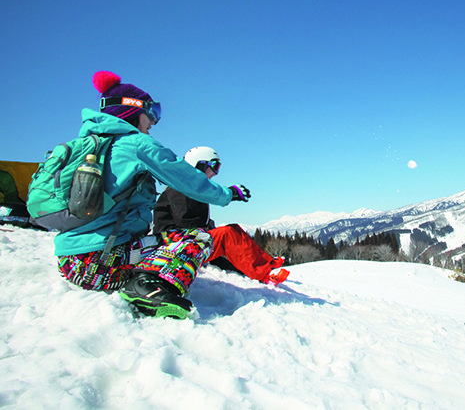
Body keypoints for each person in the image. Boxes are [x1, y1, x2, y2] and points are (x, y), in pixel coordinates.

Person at [54, 70, 237, 319]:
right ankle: (147, 287)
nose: (153, 121)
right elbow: (187, 178)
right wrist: (228, 194)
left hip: (71, 263)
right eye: (151, 113)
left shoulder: (85, 146)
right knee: (200, 238)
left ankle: (139, 275)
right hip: (102, 264)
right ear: (130, 111)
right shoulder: (136, 144)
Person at [153, 146, 289, 285]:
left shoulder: (191, 189)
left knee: (232, 230)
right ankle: (265, 274)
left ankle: (266, 263)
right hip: (173, 245)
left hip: (188, 241)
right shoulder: (179, 189)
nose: (215, 173)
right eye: (214, 166)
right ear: (198, 165)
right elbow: (187, 222)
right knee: (226, 234)